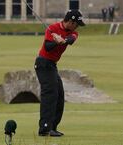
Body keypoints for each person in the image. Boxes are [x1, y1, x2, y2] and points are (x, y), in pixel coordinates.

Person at [34, 9, 85, 137]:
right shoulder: (52, 28)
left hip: (52, 65)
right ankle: (44, 128)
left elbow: (71, 39)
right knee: (50, 94)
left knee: (60, 95)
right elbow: (47, 47)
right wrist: (55, 41)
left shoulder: (73, 33)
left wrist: (63, 40)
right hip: (43, 63)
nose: (77, 27)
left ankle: (52, 127)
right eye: (76, 24)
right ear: (71, 22)